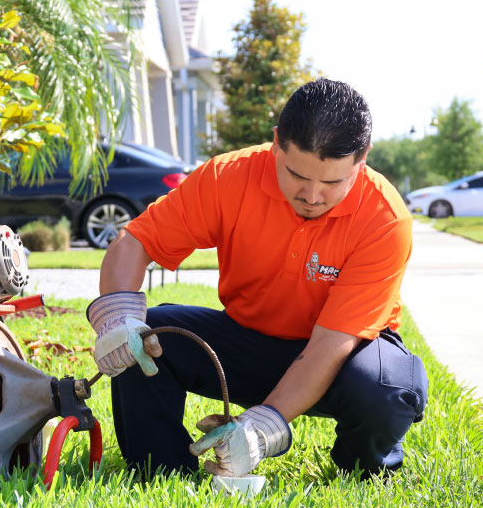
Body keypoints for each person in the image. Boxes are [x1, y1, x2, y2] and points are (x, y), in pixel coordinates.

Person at [86, 78, 428, 479]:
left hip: (342, 356)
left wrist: (261, 428)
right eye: (297, 175)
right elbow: (135, 243)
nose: (313, 195)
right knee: (147, 335)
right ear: (277, 142)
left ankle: (362, 471)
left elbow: (332, 342)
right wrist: (117, 319)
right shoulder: (227, 178)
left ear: (363, 158)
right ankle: (160, 471)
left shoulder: (384, 219)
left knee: (387, 390)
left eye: (333, 182)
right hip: (247, 342)